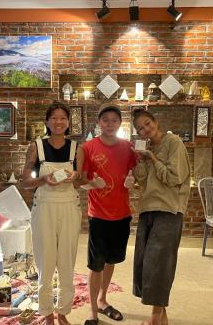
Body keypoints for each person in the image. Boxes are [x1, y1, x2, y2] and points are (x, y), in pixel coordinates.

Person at [76, 103, 137, 325]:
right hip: (99, 215)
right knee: (95, 264)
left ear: (120, 123)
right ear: (98, 123)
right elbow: (79, 181)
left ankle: (102, 300)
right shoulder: (87, 147)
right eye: (105, 120)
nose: (110, 124)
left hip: (122, 214)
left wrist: (134, 180)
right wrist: (92, 183)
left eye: (114, 120)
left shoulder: (129, 147)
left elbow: (136, 175)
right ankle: (92, 312)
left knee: (111, 260)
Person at [22, 101, 81, 325]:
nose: (58, 122)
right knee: (45, 261)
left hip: (69, 207)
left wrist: (76, 177)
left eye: (63, 118)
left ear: (68, 123)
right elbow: (26, 182)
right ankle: (47, 312)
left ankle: (63, 311)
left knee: (67, 260)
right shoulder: (36, 146)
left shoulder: (77, 148)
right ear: (47, 121)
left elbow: (82, 180)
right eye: (54, 118)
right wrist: (42, 179)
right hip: (43, 206)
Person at [131, 108, 191, 325]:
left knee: (158, 262)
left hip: (168, 209)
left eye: (147, 123)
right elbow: (142, 181)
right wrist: (140, 160)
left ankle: (155, 317)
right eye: (140, 128)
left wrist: (153, 159)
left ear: (155, 121)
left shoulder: (173, 142)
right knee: (146, 263)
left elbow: (174, 178)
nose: (145, 129)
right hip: (148, 208)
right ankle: (161, 316)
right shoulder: (148, 149)